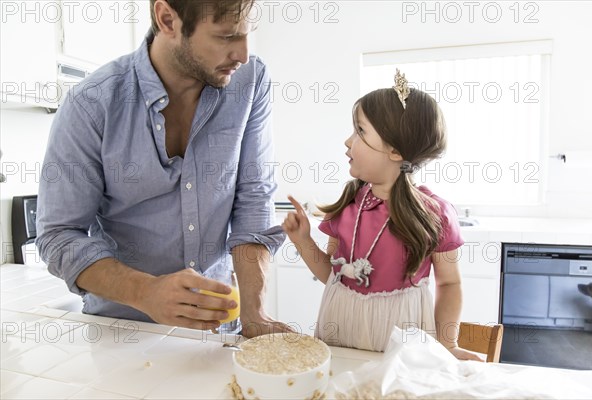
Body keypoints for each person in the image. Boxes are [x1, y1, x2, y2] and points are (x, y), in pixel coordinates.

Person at [36, 0, 290, 337]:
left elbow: (254, 200)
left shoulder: (250, 81)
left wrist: (254, 315)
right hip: (122, 332)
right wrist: (146, 292)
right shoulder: (91, 103)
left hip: (218, 329)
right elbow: (59, 235)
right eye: (226, 37)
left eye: (246, 35)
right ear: (167, 19)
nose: (242, 54)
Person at [282, 70, 481, 359]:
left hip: (403, 341)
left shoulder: (435, 215)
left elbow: (449, 283)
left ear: (395, 151)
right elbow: (332, 276)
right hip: (342, 333)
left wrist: (447, 345)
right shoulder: (349, 205)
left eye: (360, 131)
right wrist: (302, 241)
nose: (348, 142)